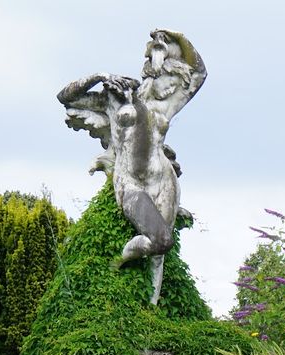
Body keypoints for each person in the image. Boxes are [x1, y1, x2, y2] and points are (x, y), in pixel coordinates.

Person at [58, 30, 208, 304]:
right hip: (132, 183)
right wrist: (100, 76)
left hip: (163, 178)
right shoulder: (113, 98)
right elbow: (65, 97)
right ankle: (118, 261)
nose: (166, 79)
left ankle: (151, 317)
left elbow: (199, 73)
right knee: (161, 240)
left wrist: (178, 37)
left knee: (160, 256)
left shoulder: (165, 105)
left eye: (170, 75)